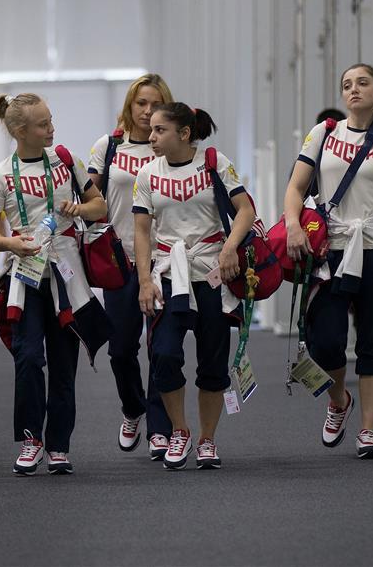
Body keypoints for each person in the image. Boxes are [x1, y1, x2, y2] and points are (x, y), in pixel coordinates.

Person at [284, 63, 373, 459]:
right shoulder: (324, 133)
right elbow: (295, 187)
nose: (354, 89)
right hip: (331, 248)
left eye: (363, 83)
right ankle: (339, 400)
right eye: (347, 84)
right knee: (325, 342)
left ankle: (368, 431)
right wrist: (294, 225)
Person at [0, 93, 108, 476]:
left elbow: (99, 206)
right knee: (29, 357)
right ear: (20, 131)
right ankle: (31, 438)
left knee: (64, 363)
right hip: (26, 273)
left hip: (67, 274)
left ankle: (59, 446)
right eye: (43, 124)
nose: (52, 128)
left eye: (51, 121)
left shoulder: (67, 162)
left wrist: (79, 209)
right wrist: (10, 243)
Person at [133, 102, 255, 470]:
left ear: (184, 134)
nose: (151, 137)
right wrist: (143, 280)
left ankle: (207, 439)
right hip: (170, 276)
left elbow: (246, 210)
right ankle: (180, 430)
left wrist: (231, 246)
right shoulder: (148, 174)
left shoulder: (215, 163)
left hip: (214, 272)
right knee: (165, 354)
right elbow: (141, 231)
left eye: (159, 131)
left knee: (213, 362)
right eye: (151, 131)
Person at [87, 73, 175, 460]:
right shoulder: (108, 147)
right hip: (119, 260)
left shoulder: (170, 147)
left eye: (155, 103)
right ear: (129, 105)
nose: (147, 110)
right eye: (141, 103)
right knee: (121, 349)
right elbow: (89, 195)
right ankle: (133, 407)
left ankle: (160, 428)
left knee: (161, 347)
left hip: (165, 260)